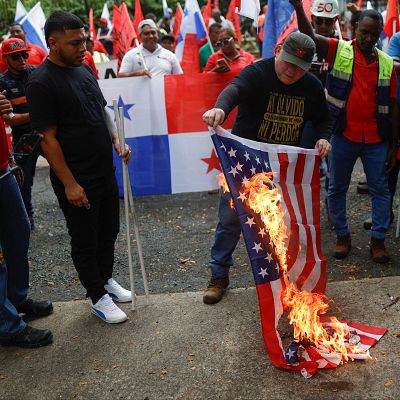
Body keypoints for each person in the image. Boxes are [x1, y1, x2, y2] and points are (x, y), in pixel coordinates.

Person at [201, 32, 332, 304]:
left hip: (283, 168)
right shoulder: (257, 73)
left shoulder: (311, 86)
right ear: (277, 50)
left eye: (300, 68)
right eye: (288, 63)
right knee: (230, 219)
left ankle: (282, 278)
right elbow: (234, 90)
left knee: (284, 224)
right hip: (245, 163)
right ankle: (219, 275)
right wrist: (220, 110)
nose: (292, 71)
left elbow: (323, 119)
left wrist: (322, 138)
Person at [26, 11, 132, 324]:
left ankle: (105, 280)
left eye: (84, 40)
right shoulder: (41, 83)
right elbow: (48, 140)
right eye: (75, 42)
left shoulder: (83, 68)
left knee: (108, 230)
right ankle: (97, 297)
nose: (83, 47)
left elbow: (101, 111)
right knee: (85, 238)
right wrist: (70, 184)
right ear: (53, 43)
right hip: (77, 177)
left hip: (104, 169)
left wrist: (115, 139)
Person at [291, 0, 399, 263]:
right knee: (337, 188)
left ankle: (378, 240)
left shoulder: (386, 63)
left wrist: (394, 146)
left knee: (381, 191)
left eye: (374, 33)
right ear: (353, 27)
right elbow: (310, 39)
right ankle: (342, 236)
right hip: (342, 136)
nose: (369, 37)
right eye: (364, 31)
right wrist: (297, 7)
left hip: (376, 140)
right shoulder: (339, 50)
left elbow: (394, 107)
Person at [0, 93, 53, 348]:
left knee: (19, 233)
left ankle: (16, 298)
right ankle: (7, 326)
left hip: (2, 168)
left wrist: (10, 158)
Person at [0, 38, 40, 229]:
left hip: (46, 133)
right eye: (16, 56)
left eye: (24, 54)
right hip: (25, 139)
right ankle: (27, 219)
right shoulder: (2, 82)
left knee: (63, 171)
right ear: (6, 58)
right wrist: (37, 114)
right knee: (24, 180)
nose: (22, 59)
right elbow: (9, 119)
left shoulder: (36, 73)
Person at [118, 19, 183, 78]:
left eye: (153, 32)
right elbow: (120, 76)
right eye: (146, 33)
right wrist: (136, 74)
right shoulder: (130, 55)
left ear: (157, 34)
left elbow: (180, 77)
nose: (151, 36)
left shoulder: (170, 55)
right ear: (140, 37)